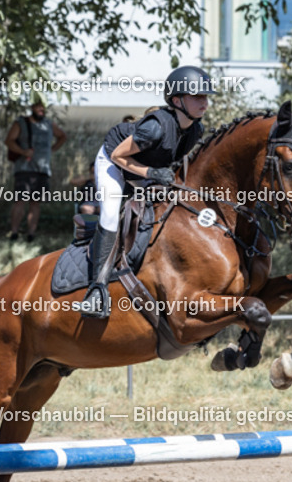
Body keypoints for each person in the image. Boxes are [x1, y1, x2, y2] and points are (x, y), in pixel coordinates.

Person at [81, 66, 216, 318]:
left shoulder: (195, 130)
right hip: (114, 161)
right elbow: (118, 155)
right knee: (110, 216)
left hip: (143, 166)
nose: (204, 102)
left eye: (206, 97)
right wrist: (152, 174)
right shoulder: (156, 127)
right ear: (177, 100)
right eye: (197, 96)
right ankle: (97, 289)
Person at [5, 100, 67, 242]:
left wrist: (51, 150)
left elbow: (63, 136)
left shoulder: (49, 124)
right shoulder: (21, 122)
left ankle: (31, 234)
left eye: (43, 107)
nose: (41, 110)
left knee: (35, 202)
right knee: (20, 201)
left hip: (43, 170)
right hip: (24, 169)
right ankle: (14, 232)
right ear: (32, 107)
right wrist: (23, 151)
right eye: (39, 107)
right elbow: (9, 141)